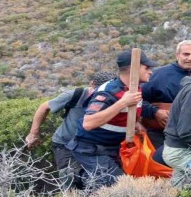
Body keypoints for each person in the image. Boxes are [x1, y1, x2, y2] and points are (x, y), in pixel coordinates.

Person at [66, 49, 158, 189]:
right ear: (133, 69)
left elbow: (127, 112)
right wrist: (122, 103)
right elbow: (88, 123)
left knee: (122, 179)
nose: (150, 71)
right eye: (146, 68)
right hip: (91, 149)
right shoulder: (108, 91)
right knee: (119, 186)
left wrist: (136, 124)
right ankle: (77, 180)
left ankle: (86, 182)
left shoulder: (134, 88)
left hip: (112, 149)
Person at [24, 71, 116, 190]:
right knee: (70, 177)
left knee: (101, 179)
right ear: (92, 85)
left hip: (92, 146)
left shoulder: (113, 99)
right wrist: (34, 133)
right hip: (65, 144)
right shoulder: (76, 95)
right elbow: (44, 107)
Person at [141, 40, 191, 149]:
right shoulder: (158, 75)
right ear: (177, 55)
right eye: (186, 54)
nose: (190, 58)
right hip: (159, 134)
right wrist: (155, 112)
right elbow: (137, 100)